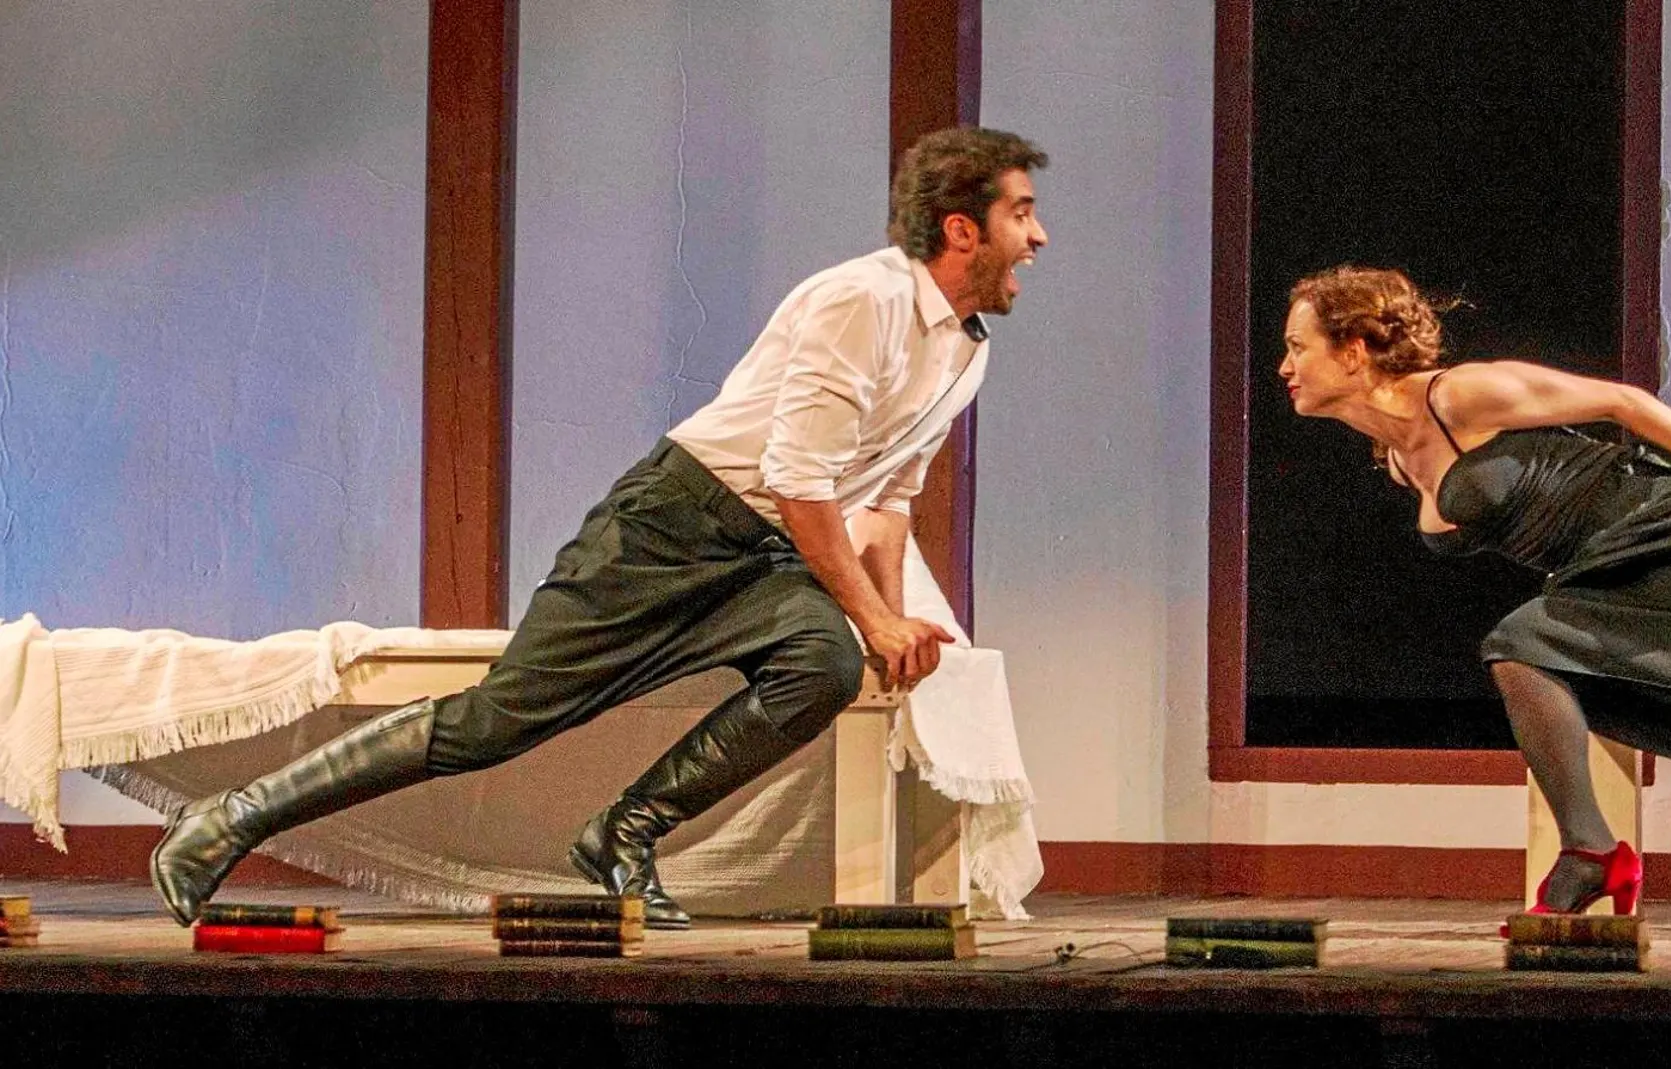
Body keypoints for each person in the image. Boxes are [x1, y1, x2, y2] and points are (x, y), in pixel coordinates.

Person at [150, 126, 1050, 929]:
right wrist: (878, 618)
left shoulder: (964, 349)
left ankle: (622, 832)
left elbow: (886, 502)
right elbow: (801, 481)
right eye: (1021, 213)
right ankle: (230, 816)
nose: (1038, 236)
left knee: (820, 665)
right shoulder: (864, 300)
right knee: (492, 727)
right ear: (960, 227)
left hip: (768, 550)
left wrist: (885, 636)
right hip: (670, 527)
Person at [1278, 265, 1671, 917]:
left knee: (1518, 645)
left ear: (1352, 351)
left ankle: (1589, 850)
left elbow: (1621, 403)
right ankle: (1594, 848)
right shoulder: (1402, 460)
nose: (1285, 365)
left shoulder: (1459, 396)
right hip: (1607, 571)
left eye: (1298, 346)